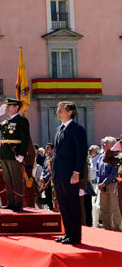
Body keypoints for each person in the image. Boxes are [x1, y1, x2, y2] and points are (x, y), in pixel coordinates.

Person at [52, 101, 88, 245]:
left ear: (70, 112)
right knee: (64, 205)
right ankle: (68, 233)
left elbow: (81, 153)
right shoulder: (59, 129)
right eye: (57, 109)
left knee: (73, 205)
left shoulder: (77, 129)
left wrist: (76, 172)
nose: (58, 112)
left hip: (70, 173)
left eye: (61, 110)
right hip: (59, 173)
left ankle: (75, 236)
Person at [0, 98, 32, 212]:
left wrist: (22, 154)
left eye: (10, 106)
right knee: (8, 180)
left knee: (16, 180)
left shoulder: (21, 120)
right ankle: (10, 202)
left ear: (16, 108)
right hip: (5, 154)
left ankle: (18, 203)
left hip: (15, 154)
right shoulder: (6, 122)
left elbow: (25, 138)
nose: (7, 108)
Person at [95, 136, 121, 231]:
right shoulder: (101, 156)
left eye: (106, 142)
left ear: (112, 144)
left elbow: (114, 172)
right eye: (103, 142)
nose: (103, 144)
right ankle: (108, 228)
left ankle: (118, 229)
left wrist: (104, 182)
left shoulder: (116, 156)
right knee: (104, 208)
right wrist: (99, 183)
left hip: (113, 184)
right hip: (103, 186)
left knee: (115, 208)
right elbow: (98, 171)